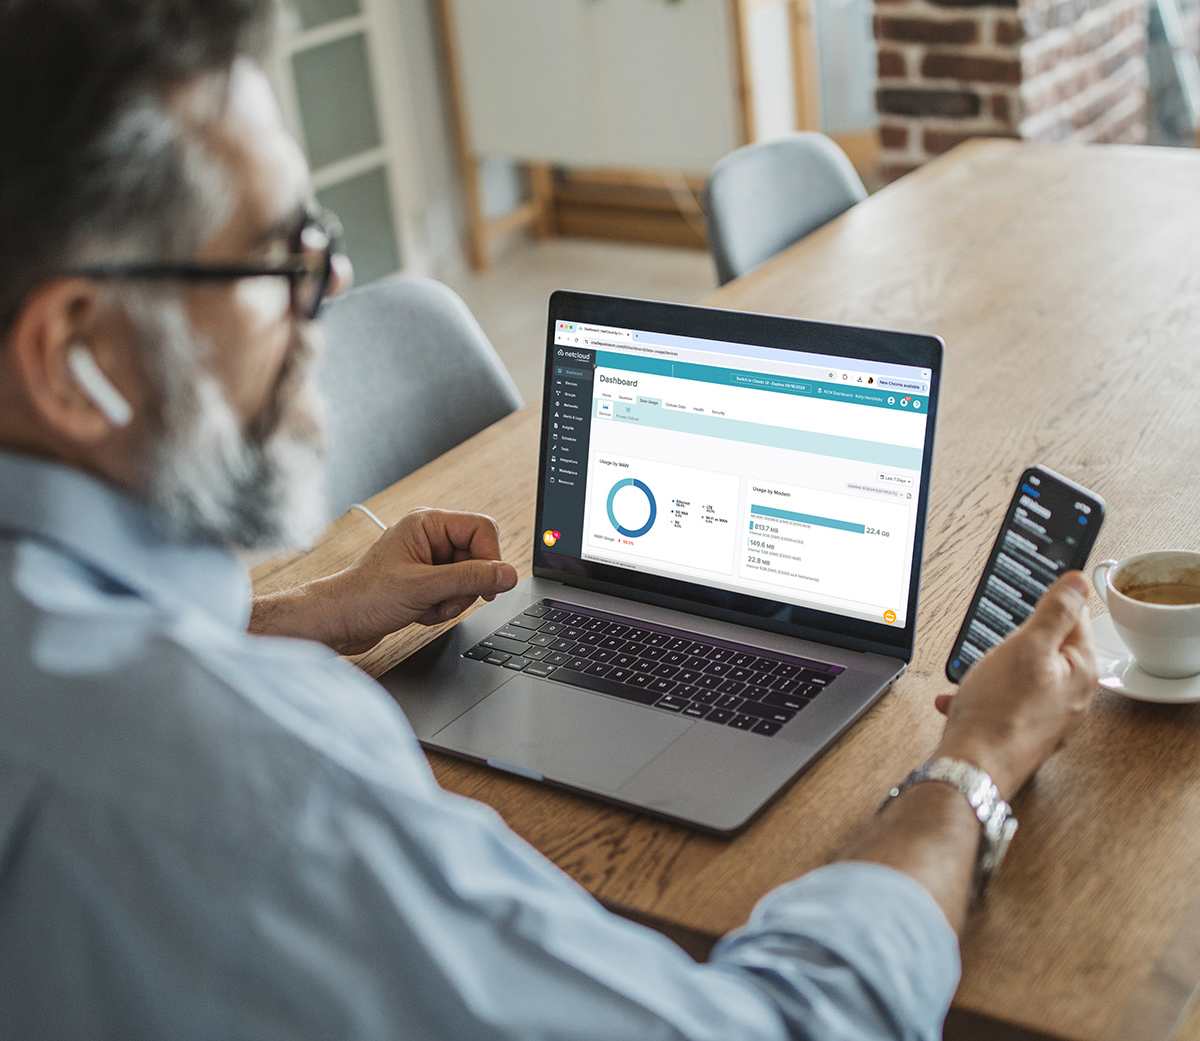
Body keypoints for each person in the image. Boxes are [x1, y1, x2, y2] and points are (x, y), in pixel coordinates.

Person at [0, 2, 1099, 1038]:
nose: (327, 295)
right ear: (70, 357)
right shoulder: (257, 786)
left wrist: (312, 613)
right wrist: (974, 764)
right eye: (278, 257)